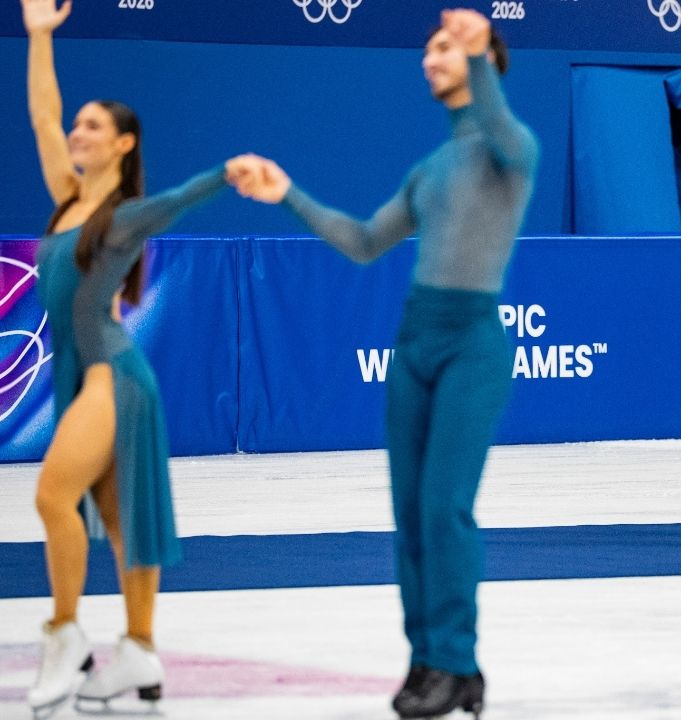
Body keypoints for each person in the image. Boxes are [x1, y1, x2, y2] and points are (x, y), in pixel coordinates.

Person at [229, 8, 538, 719]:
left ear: (482, 57)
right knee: (408, 515)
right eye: (429, 48)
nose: (431, 57)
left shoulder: (510, 148)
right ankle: (426, 658)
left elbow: (507, 139)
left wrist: (477, 54)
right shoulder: (431, 167)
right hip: (415, 338)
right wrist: (290, 196)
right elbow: (367, 241)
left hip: (472, 343)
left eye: (447, 47)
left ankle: (458, 662)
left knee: (443, 507)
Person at [21, 0, 240, 715]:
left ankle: (64, 639)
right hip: (83, 373)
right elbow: (43, 115)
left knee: (54, 496)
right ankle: (139, 653)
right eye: (79, 124)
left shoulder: (125, 212)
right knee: (120, 524)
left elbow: (179, 197)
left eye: (94, 125)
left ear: (122, 144)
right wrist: (40, 37)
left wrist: (226, 173)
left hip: (114, 377)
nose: (77, 131)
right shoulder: (65, 201)